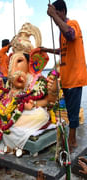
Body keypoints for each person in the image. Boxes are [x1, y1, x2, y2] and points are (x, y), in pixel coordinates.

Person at [41, 0, 87, 151]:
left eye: (56, 14)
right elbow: (62, 50)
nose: (54, 20)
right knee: (69, 110)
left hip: (74, 78)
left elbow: (71, 35)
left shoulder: (73, 24)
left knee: (73, 113)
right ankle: (71, 138)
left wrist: (53, 15)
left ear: (62, 12)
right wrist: (47, 49)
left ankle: (72, 141)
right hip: (66, 79)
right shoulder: (62, 31)